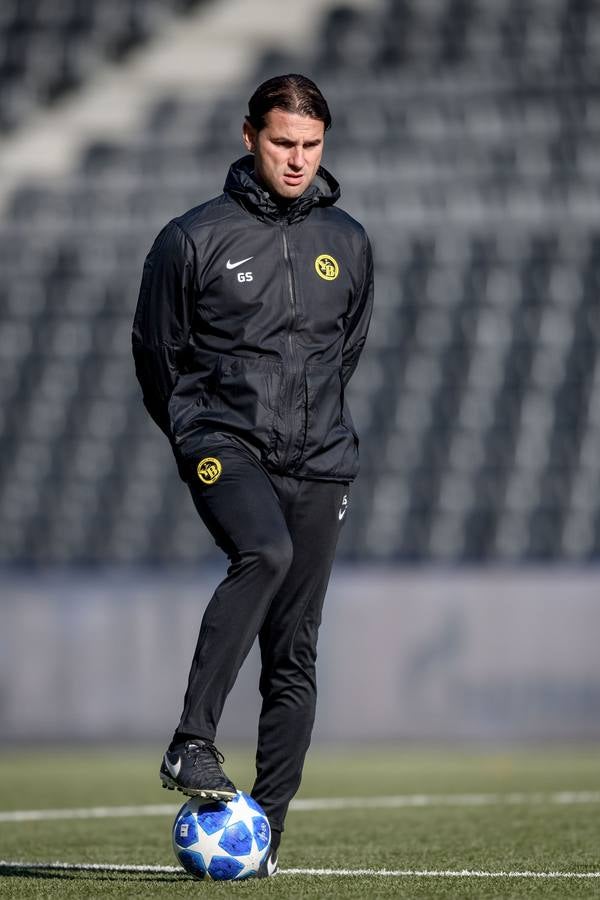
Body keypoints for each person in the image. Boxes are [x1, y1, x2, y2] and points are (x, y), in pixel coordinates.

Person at [132, 73, 373, 876]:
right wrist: (194, 429)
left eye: (310, 146)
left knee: (295, 653)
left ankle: (264, 833)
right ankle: (190, 742)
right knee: (261, 554)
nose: (297, 159)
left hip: (322, 461)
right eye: (282, 143)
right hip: (223, 443)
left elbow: (346, 352)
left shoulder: (349, 240)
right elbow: (156, 357)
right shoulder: (191, 238)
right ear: (248, 138)